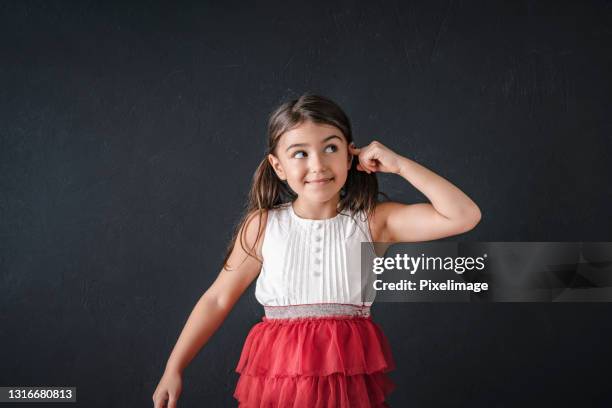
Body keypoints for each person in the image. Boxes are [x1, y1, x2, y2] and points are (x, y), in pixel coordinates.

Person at [152, 93, 481, 407]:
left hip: (346, 383)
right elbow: (217, 298)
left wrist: (399, 165)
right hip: (278, 382)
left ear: (351, 154)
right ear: (278, 166)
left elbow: (464, 215)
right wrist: (174, 367)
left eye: (330, 148)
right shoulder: (263, 226)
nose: (318, 165)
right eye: (299, 153)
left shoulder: (374, 221)